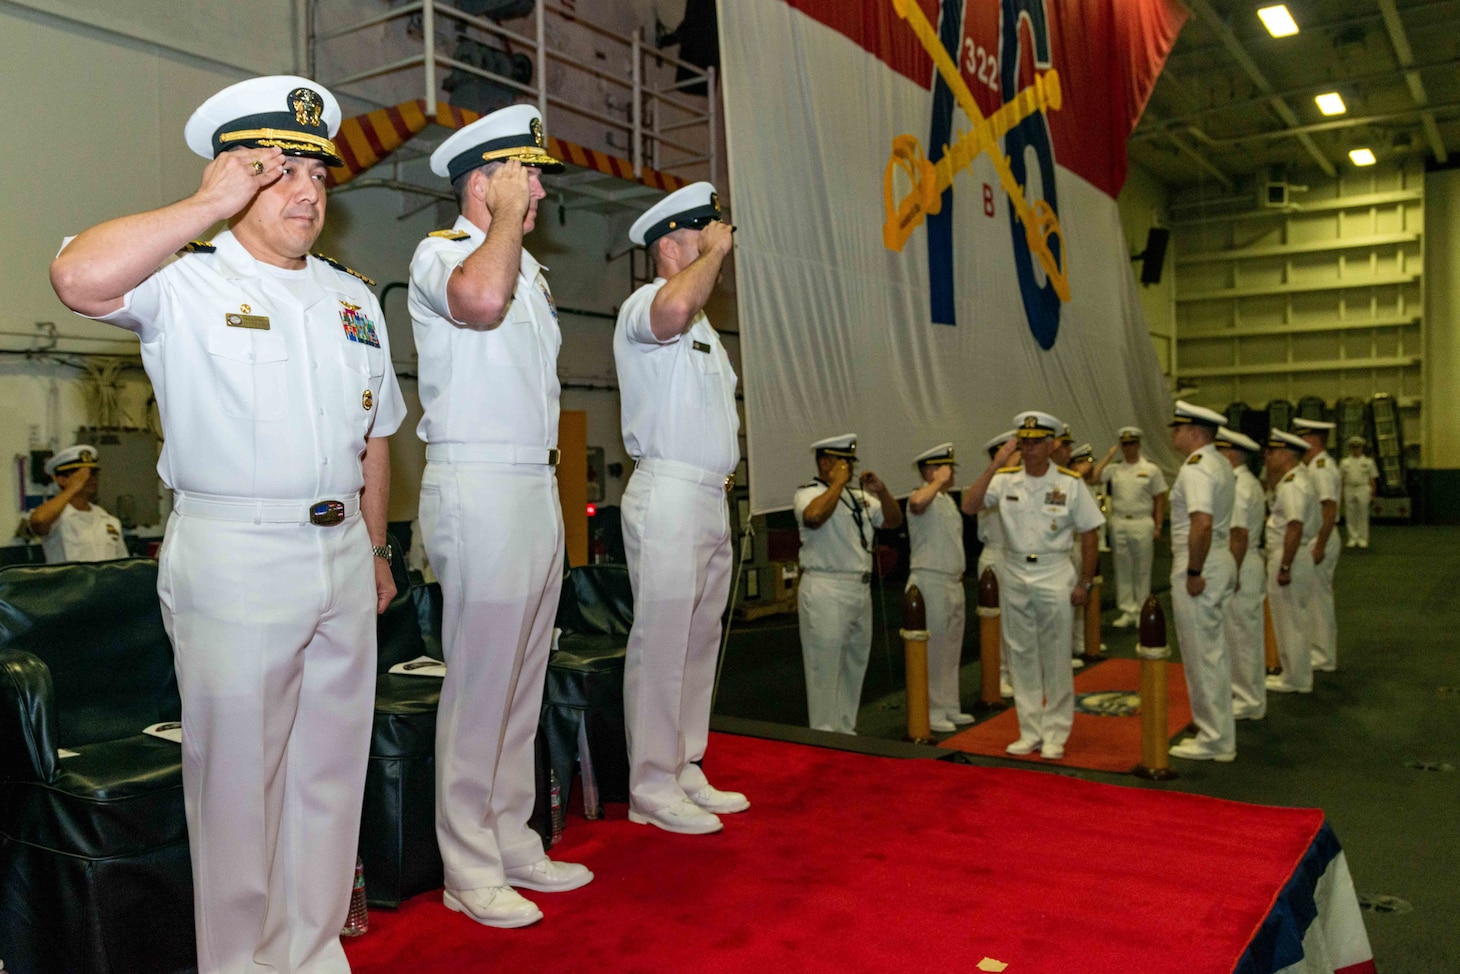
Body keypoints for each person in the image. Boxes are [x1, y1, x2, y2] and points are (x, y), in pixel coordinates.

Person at [50, 75, 406, 973]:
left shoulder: (354, 297)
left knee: (331, 772)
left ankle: (315, 947)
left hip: (339, 554)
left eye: (317, 174)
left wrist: (374, 544)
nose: (305, 192)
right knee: (240, 784)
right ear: (234, 179)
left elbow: (375, 438)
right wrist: (205, 204)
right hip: (238, 554)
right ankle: (241, 963)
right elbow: (76, 277)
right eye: (277, 171)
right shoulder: (185, 281)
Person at [409, 103, 590, 929]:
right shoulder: (442, 254)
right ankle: (466, 865)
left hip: (533, 487)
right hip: (477, 485)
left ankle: (512, 836)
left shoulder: (531, 271)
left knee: (523, 678)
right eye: (527, 175)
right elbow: (479, 304)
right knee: (480, 684)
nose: (542, 189)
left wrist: (512, 229)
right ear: (484, 182)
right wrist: (506, 225)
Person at [615, 181, 747, 836]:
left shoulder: (708, 333)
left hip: (708, 497)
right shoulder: (649, 306)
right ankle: (650, 782)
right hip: (667, 492)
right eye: (708, 234)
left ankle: (685, 760)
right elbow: (673, 307)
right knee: (663, 642)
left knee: (700, 640)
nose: (719, 244)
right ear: (673, 241)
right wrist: (713, 258)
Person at [963, 412, 1103, 761]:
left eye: (1035, 442)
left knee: (1055, 655)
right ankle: (1030, 730)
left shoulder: (1070, 483)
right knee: (1020, 654)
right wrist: (995, 465)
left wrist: (1085, 580)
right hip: (1014, 569)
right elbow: (970, 505)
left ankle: (1055, 731)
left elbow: (1089, 533)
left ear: (1051, 444)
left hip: (1054, 570)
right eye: (1023, 442)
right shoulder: (1006, 479)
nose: (1027, 449)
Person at [794, 435, 903, 734]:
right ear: (825, 462)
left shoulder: (857, 496)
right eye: (844, 462)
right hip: (826, 587)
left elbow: (893, 521)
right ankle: (825, 733)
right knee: (824, 668)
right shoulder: (809, 494)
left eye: (852, 462)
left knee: (854, 665)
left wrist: (882, 491)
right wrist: (838, 484)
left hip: (859, 587)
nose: (851, 467)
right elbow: (814, 517)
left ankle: (845, 729)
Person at [1166, 401, 1238, 763]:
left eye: (1177, 429)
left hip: (1202, 562)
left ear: (1194, 432)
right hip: (1219, 558)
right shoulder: (1221, 463)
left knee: (1202, 655)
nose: (1173, 435)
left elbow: (1202, 523)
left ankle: (1214, 738)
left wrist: (1193, 571)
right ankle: (1218, 729)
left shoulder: (1195, 468)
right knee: (1214, 652)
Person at [906, 443, 970, 733]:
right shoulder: (923, 496)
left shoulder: (946, 500)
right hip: (930, 580)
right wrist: (937, 482)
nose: (952, 472)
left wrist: (941, 486)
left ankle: (949, 706)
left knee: (951, 648)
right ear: (931, 470)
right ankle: (931, 711)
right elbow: (917, 504)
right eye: (946, 467)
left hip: (952, 581)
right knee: (933, 650)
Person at [1263, 429, 1320, 695]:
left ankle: (1295, 678)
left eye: (1273, 451)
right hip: (1294, 555)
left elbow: (1294, 526)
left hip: (1290, 557)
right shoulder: (1295, 479)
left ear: (1287, 454)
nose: (1268, 456)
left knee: (1290, 619)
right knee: (1293, 618)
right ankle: (1295, 674)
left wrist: (1285, 566)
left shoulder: (1293, 484)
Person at [1215, 428, 1267, 721]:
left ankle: (1248, 699)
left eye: (1220, 452)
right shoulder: (1247, 482)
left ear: (1231, 455)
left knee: (1241, 635)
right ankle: (1247, 694)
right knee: (1242, 633)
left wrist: (1230, 575)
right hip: (1246, 561)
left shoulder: (1237, 486)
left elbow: (1238, 534)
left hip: (1241, 562)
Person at [1095, 427, 1167, 628]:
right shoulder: (1115, 469)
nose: (1128, 449)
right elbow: (1095, 476)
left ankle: (1143, 610)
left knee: (1142, 568)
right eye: (1124, 445)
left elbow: (1159, 499)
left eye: (1131, 444)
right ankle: (1127, 610)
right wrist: (1109, 454)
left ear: (1138, 444)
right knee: (1122, 567)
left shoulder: (1151, 469)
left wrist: (1159, 524)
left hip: (1142, 521)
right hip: (1119, 522)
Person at [1292, 418, 1341, 673]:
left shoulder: (1320, 467)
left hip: (1321, 536)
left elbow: (1329, 508)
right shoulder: (1313, 465)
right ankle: (1317, 650)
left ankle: (1323, 656)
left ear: (1312, 439)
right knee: (1313, 599)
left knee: (1318, 600)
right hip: (1318, 536)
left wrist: (1320, 544)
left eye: (1303, 437)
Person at [28, 445, 129, 562]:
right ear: (62, 479)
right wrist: (73, 488)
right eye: (82, 475)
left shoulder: (109, 521)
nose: (89, 478)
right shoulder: (56, 518)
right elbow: (39, 520)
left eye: (92, 474)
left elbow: (123, 564)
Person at [975, 430, 1018, 697]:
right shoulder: (989, 483)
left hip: (1015, 556)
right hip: (995, 555)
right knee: (997, 622)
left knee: (1018, 620)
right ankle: (998, 675)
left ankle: (1016, 672)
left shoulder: (1017, 482)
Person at [1066, 443, 1098, 667]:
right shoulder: (1071, 482)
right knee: (1068, 600)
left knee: (1078, 598)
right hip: (1068, 544)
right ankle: (1067, 648)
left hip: (1080, 544)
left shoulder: (1084, 486)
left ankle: (1079, 642)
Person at [1341, 436, 1379, 549]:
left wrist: (1373, 494)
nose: (1356, 450)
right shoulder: (1344, 462)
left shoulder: (1368, 462)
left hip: (1363, 488)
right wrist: (1341, 493)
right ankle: (1352, 537)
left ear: (1362, 448)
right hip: (1349, 488)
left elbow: (1372, 479)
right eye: (1353, 447)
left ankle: (1363, 538)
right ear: (1350, 448)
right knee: (1350, 514)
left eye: (1358, 447)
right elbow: (1342, 479)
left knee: (1363, 513)